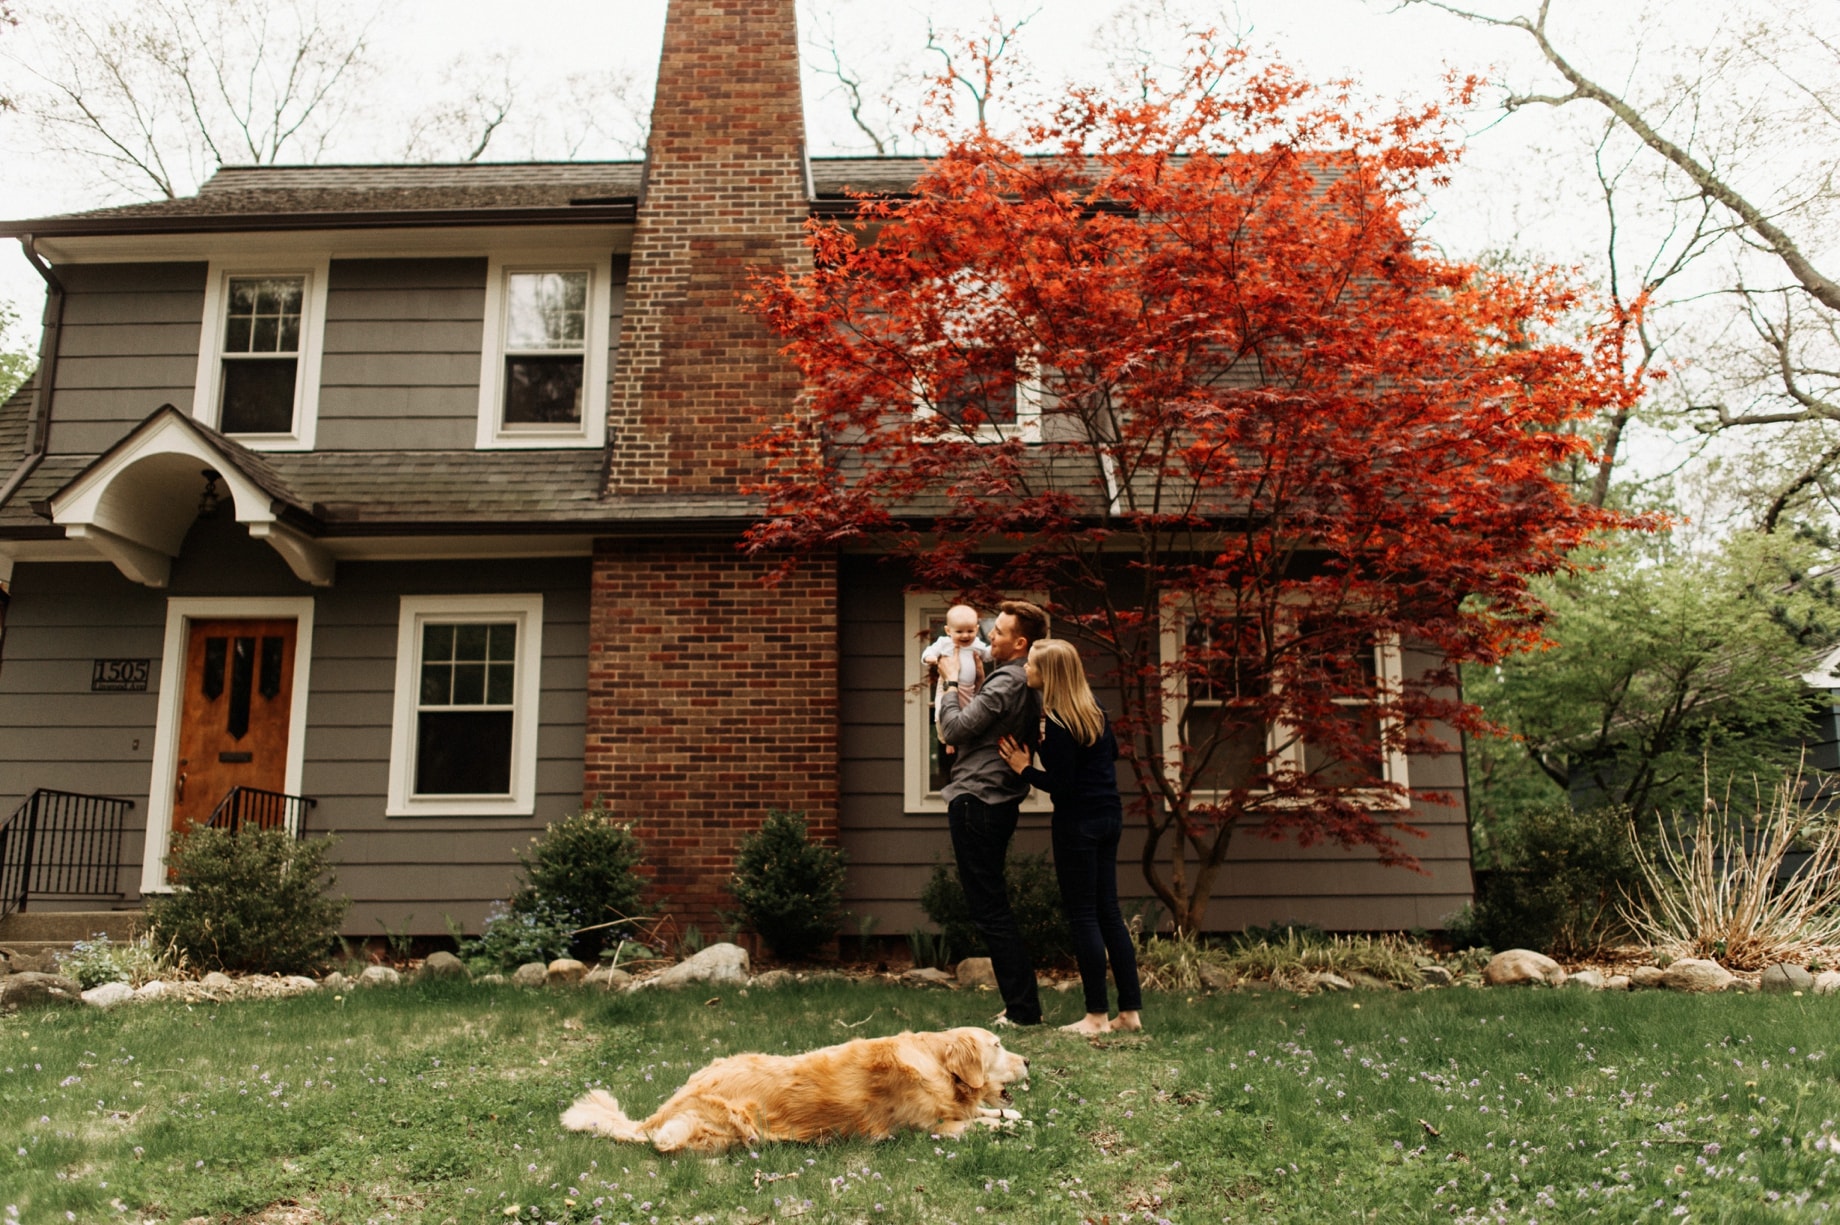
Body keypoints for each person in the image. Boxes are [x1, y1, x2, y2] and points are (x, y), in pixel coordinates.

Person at [998, 639, 1143, 1035]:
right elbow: (1107, 756)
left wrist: (1024, 767)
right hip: (1109, 817)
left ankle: (1095, 1016)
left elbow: (1061, 787)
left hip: (1077, 823)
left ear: (1049, 674)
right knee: (1109, 913)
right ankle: (1129, 1014)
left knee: (1084, 916)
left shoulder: (1060, 723)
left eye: (1030, 665)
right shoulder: (1093, 712)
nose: (1025, 669)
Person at [937, 598, 1049, 1027]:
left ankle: (1023, 1011)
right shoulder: (1012, 678)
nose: (989, 637)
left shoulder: (1009, 682)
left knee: (990, 908)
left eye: (998, 632)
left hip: (978, 800)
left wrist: (949, 684)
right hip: (993, 799)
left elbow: (953, 729)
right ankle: (1022, 1005)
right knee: (992, 905)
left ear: (1020, 642)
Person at [921, 604, 989, 776]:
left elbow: (988, 654)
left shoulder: (977, 644)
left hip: (969, 688)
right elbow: (930, 650)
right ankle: (948, 741)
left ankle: (960, 742)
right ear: (948, 630)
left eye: (970, 631)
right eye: (959, 632)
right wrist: (930, 657)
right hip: (947, 687)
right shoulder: (944, 643)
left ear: (977, 629)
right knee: (943, 711)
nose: (965, 635)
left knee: (967, 714)